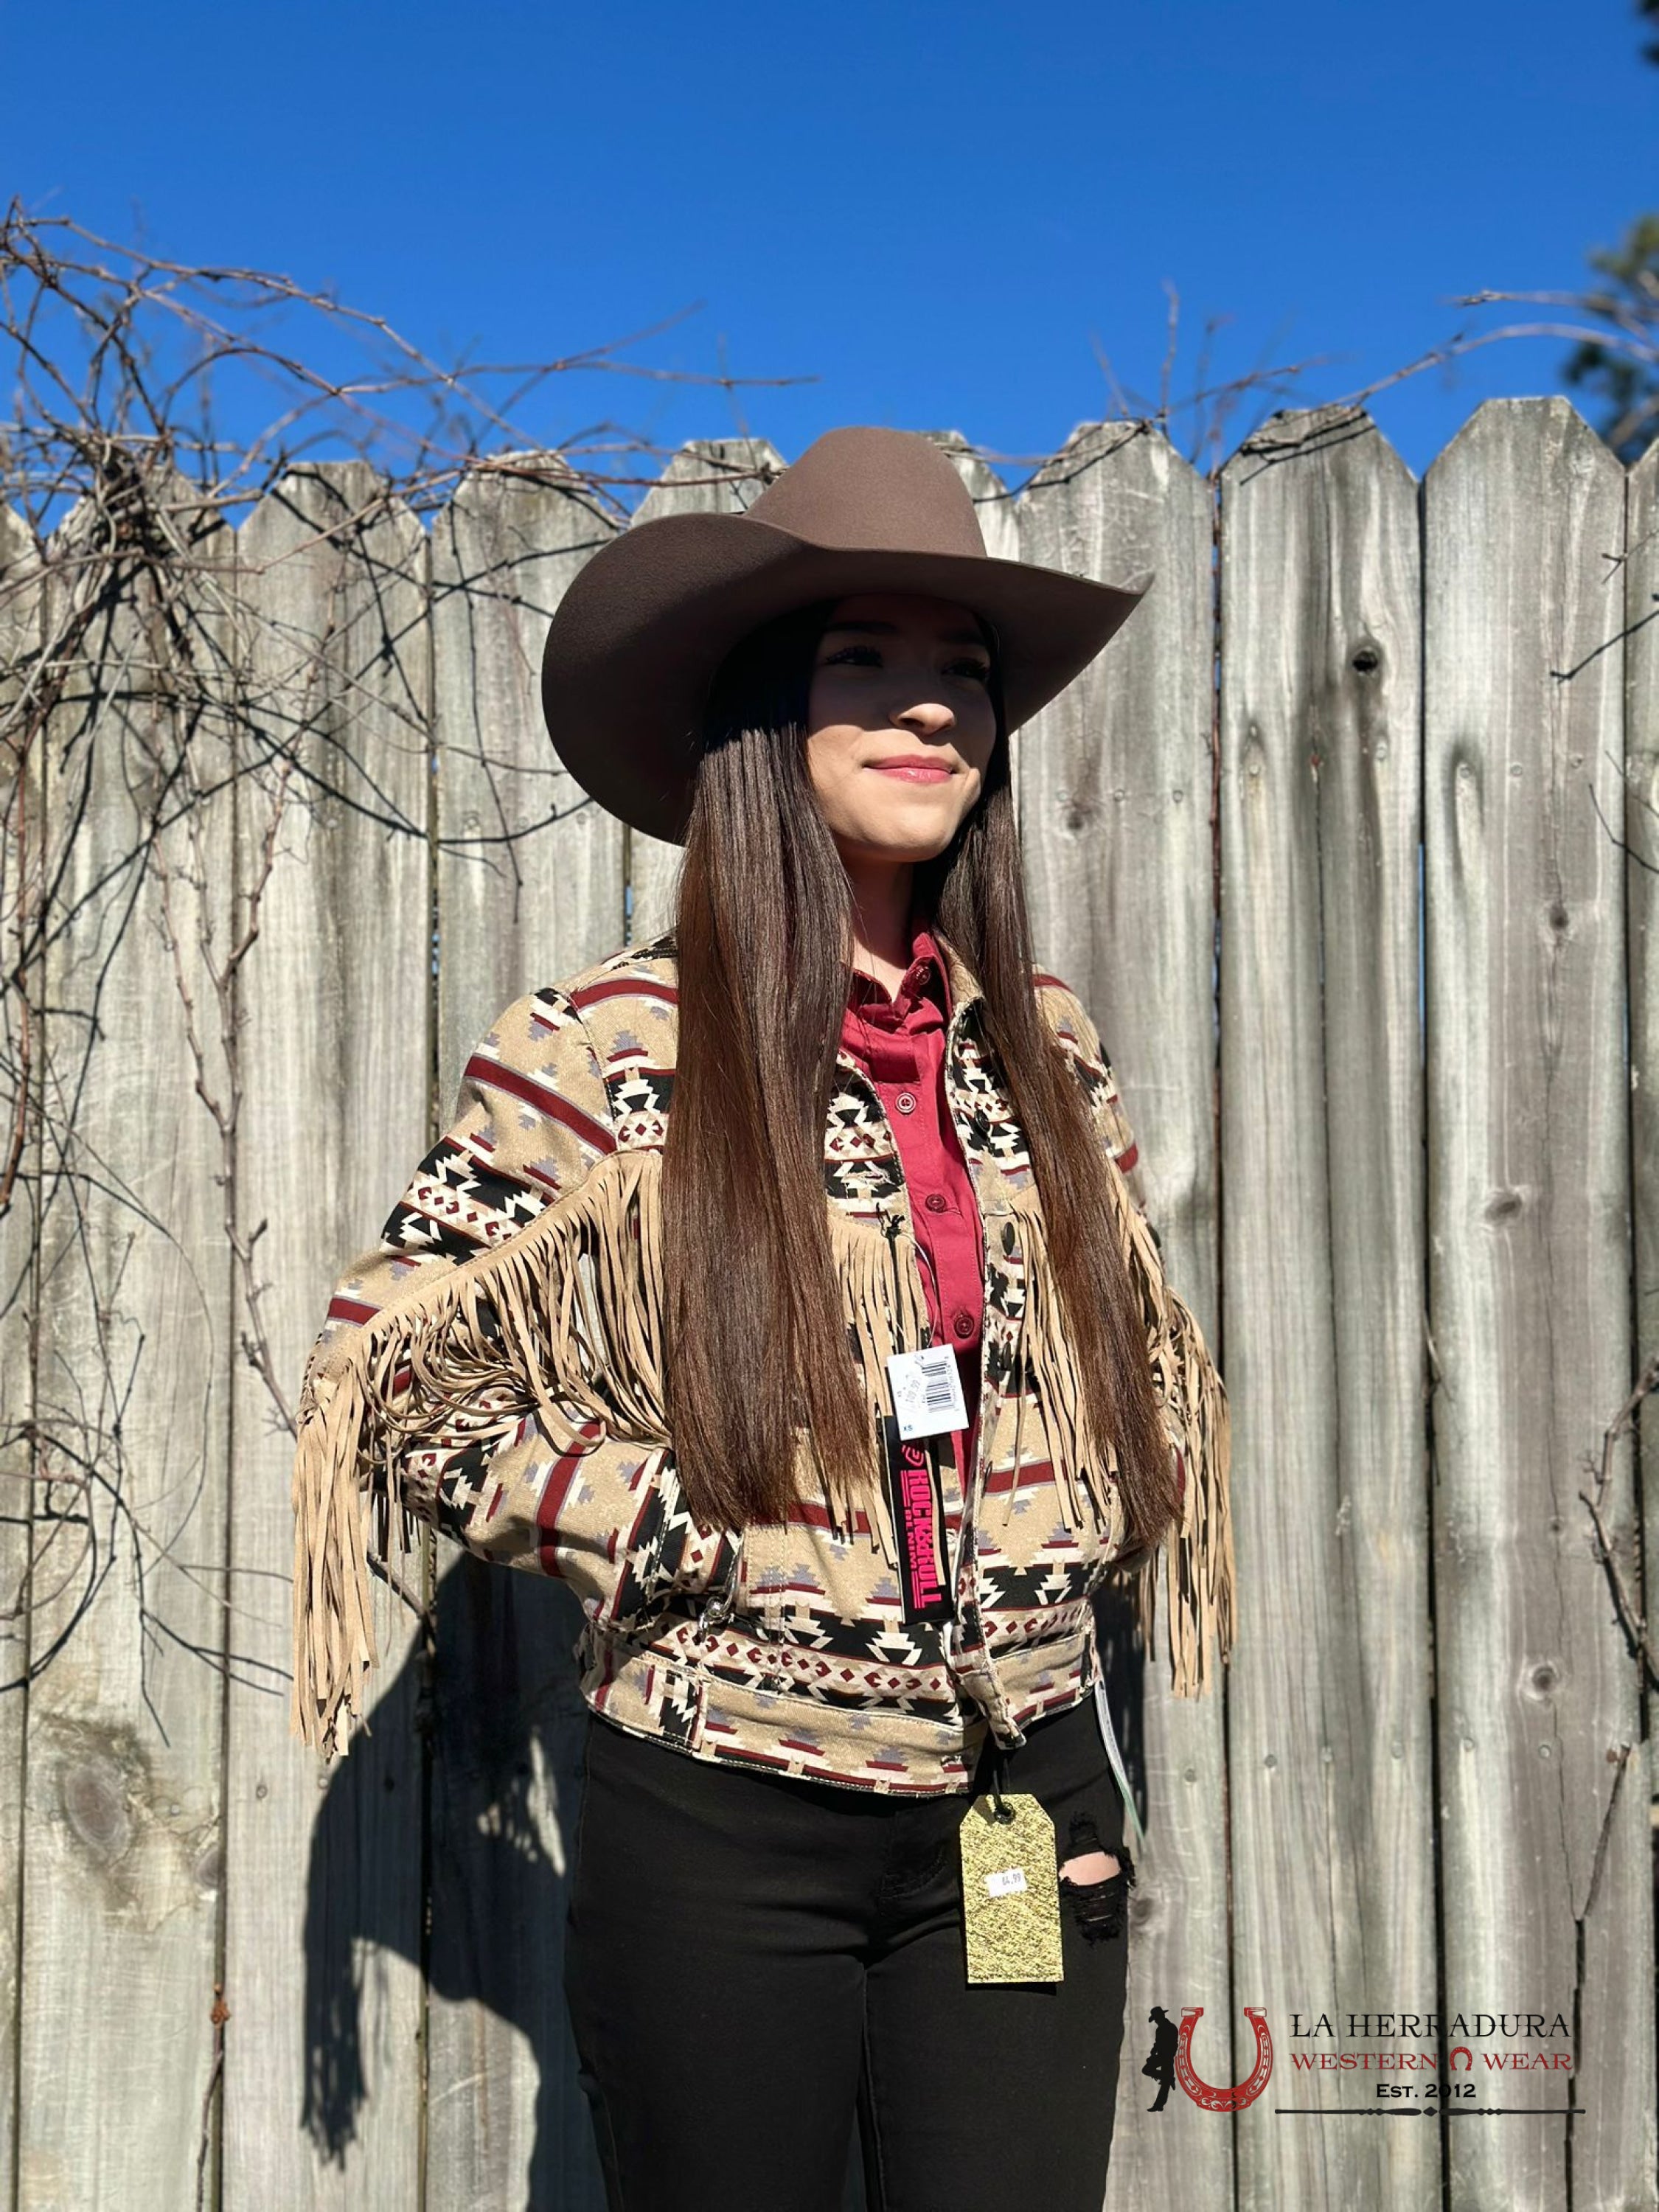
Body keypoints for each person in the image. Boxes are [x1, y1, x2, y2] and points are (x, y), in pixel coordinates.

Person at [289, 425, 1235, 2212]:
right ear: (761, 717)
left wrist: (1113, 1495)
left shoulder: (1043, 1040)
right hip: (727, 1832)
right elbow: (388, 1375)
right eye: (863, 660)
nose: (932, 707)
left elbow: (1137, 1338)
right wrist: (661, 1525)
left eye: (965, 672)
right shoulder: (607, 1045)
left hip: (1017, 1813)